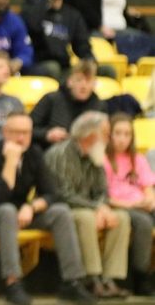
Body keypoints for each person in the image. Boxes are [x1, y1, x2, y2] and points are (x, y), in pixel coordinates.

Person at [0, 112, 95, 305]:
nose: (21, 138)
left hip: (20, 213)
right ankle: (13, 282)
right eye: (16, 132)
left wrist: (31, 207)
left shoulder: (34, 153)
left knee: (61, 212)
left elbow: (53, 193)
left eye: (26, 133)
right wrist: (11, 162)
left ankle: (72, 282)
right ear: (5, 132)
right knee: (7, 210)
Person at [45, 111, 131, 299]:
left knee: (121, 217)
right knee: (85, 217)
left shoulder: (96, 154)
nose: (109, 138)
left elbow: (102, 191)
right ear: (91, 135)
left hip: (89, 207)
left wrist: (102, 208)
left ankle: (110, 278)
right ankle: (92, 279)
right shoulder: (60, 154)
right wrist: (96, 208)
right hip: (63, 209)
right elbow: (63, 194)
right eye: (106, 133)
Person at [104, 114, 155, 296]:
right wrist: (132, 204)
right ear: (109, 134)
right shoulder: (102, 159)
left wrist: (149, 199)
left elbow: (148, 187)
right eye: (118, 133)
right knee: (144, 223)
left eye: (127, 134)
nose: (122, 139)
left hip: (141, 204)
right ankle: (141, 276)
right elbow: (104, 197)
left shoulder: (138, 159)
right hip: (119, 206)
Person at [21, 0, 94, 79]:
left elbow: (82, 45)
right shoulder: (31, 9)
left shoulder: (72, 15)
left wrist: (90, 62)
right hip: (38, 64)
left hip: (64, 66)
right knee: (53, 68)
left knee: (105, 70)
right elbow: (32, 25)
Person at [31, 61, 107, 150]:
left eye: (88, 80)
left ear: (94, 84)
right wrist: (47, 134)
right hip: (52, 152)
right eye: (79, 80)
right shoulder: (51, 99)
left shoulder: (99, 106)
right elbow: (28, 129)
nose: (83, 85)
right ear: (70, 81)